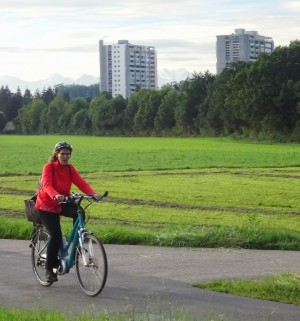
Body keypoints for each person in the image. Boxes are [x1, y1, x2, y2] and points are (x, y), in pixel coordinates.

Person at [35, 141, 101, 282]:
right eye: (62, 153)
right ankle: (49, 269)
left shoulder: (70, 169)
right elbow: (47, 184)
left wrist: (93, 194)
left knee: (79, 212)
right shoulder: (49, 167)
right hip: (47, 205)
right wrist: (54, 194)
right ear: (56, 154)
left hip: (63, 202)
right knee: (56, 235)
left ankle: (78, 241)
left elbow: (81, 183)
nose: (65, 156)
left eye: (68, 154)